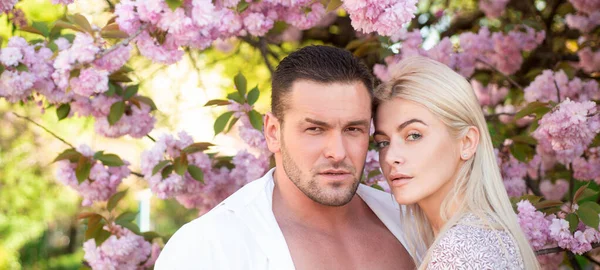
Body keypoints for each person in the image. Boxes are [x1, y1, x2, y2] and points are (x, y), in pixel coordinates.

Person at [155, 45, 415, 269]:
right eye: (315, 129)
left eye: (353, 129)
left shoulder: (411, 222)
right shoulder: (209, 247)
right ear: (272, 132)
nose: (338, 152)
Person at [372, 56, 540, 269]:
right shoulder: (489, 236)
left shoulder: (458, 252)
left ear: (467, 142)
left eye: (413, 135)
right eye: (383, 142)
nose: (390, 157)